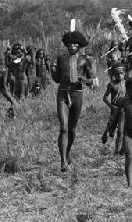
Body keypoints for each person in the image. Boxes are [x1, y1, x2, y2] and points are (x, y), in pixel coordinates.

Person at [51, 30, 95, 172]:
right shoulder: (61, 58)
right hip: (63, 95)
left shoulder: (85, 60)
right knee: (63, 128)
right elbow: (57, 79)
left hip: (77, 95)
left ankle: (68, 150)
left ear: (80, 45)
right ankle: (63, 161)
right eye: (70, 43)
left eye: (75, 43)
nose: (72, 46)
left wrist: (84, 80)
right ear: (66, 44)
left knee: (72, 129)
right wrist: (51, 69)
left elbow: (93, 82)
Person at [101, 62, 127, 154]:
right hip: (114, 109)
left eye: (121, 73)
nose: (119, 75)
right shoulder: (111, 85)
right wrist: (111, 106)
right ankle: (105, 134)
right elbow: (104, 98)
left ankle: (117, 151)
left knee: (120, 131)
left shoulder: (127, 84)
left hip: (123, 110)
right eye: (117, 74)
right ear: (113, 75)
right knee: (111, 132)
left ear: (124, 73)